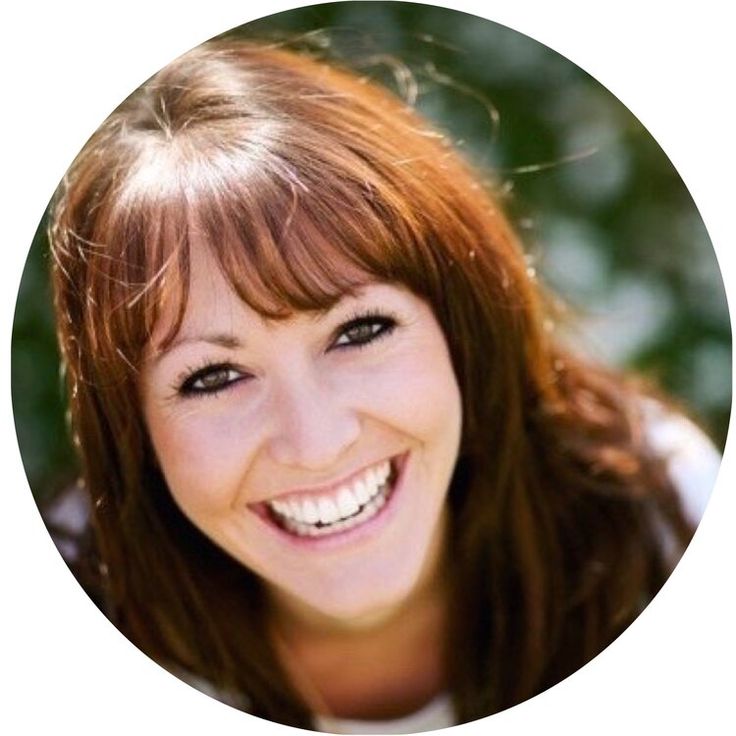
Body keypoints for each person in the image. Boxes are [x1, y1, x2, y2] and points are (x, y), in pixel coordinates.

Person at [46, 38, 719, 732]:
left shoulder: (662, 522)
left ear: (463, 325)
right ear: (127, 428)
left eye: (359, 331)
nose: (317, 443)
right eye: (213, 376)